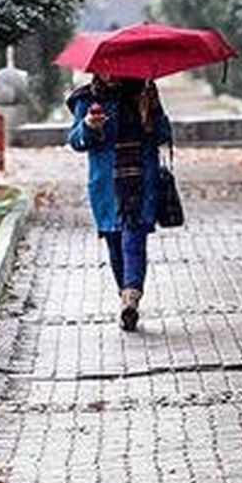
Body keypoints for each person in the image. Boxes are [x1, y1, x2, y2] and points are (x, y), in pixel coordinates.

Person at [66, 74, 173, 331]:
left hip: (141, 182)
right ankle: (124, 295)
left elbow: (163, 135)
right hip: (105, 186)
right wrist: (89, 126)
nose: (111, 73)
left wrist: (151, 113)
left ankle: (131, 299)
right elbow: (75, 141)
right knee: (115, 243)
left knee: (133, 239)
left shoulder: (144, 91)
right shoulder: (86, 98)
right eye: (104, 68)